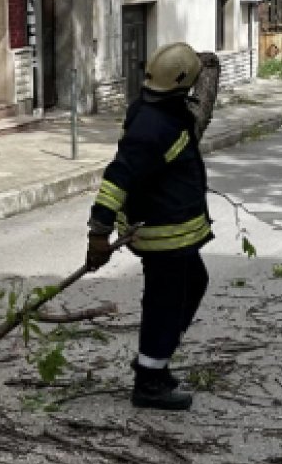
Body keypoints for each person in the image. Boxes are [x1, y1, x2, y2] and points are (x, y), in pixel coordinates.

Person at [86, 43, 220, 411]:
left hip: (172, 230)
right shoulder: (153, 124)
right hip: (164, 235)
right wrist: (98, 232)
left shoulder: (161, 110)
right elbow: (118, 177)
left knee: (195, 283)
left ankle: (154, 360)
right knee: (165, 302)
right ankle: (149, 383)